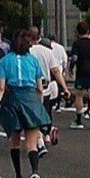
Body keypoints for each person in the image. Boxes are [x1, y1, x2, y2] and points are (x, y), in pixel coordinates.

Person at [0, 29, 52, 178]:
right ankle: (35, 172)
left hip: (12, 100)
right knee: (32, 143)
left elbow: (1, 88)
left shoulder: (5, 61)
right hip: (31, 99)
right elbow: (40, 88)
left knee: (15, 142)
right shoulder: (33, 60)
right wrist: (38, 105)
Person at [29, 26, 70, 156]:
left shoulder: (27, 52)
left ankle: (40, 140)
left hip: (31, 87)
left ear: (29, 37)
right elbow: (56, 71)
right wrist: (65, 87)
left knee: (32, 116)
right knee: (45, 111)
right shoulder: (47, 51)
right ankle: (47, 133)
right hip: (46, 87)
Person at [69, 22, 90, 130]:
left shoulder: (77, 44)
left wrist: (71, 68)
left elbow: (74, 58)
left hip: (81, 71)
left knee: (79, 95)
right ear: (88, 31)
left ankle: (79, 121)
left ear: (77, 32)